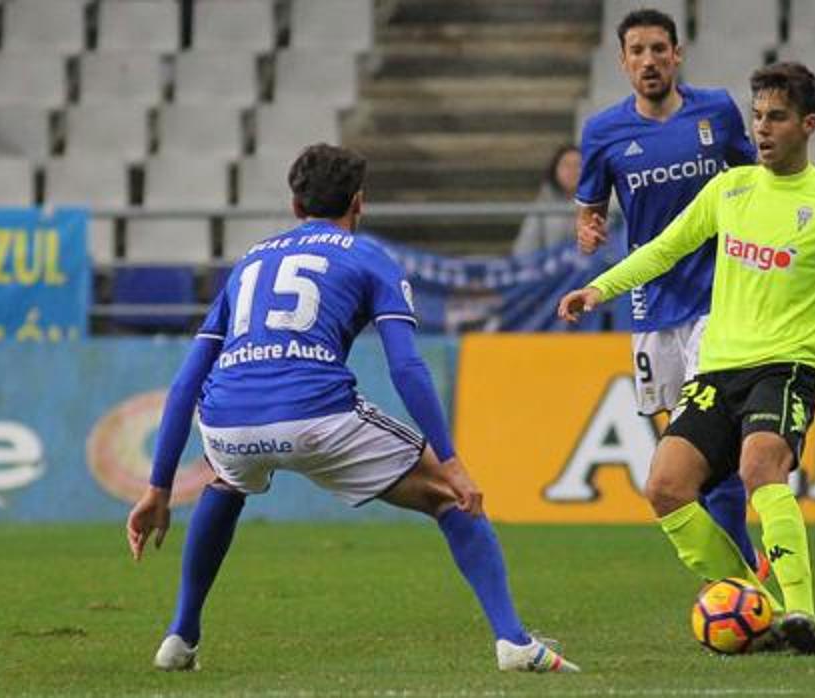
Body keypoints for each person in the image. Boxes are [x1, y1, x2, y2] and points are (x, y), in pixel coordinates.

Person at [126, 144, 579, 674]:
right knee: (448, 497)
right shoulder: (369, 257)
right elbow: (406, 368)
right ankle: (514, 641)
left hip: (226, 420)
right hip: (317, 415)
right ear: (358, 204)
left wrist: (158, 487)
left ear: (296, 207)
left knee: (226, 482)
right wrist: (451, 460)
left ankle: (180, 636)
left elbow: (185, 381)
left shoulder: (249, 261)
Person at [558, 62, 815, 654]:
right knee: (665, 486)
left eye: (777, 118)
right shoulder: (730, 189)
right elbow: (664, 249)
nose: (762, 129)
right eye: (757, 117)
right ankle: (749, 600)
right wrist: (599, 289)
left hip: (785, 368)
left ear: (809, 124)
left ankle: (801, 614)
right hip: (717, 368)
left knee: (761, 467)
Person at [573, 8, 767, 579]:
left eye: (659, 48)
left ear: (677, 55)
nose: (649, 60)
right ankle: (734, 567)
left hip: (719, 297)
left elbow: (755, 180)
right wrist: (588, 227)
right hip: (652, 305)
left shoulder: (717, 111)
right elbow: (590, 205)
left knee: (715, 430)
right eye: (638, 51)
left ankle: (736, 572)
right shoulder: (603, 132)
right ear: (623, 62)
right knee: (682, 441)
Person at [512, 144, 581, 255]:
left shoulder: (602, 203)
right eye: (566, 165)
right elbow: (525, 247)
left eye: (578, 165)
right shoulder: (543, 204)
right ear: (555, 170)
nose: (572, 171)